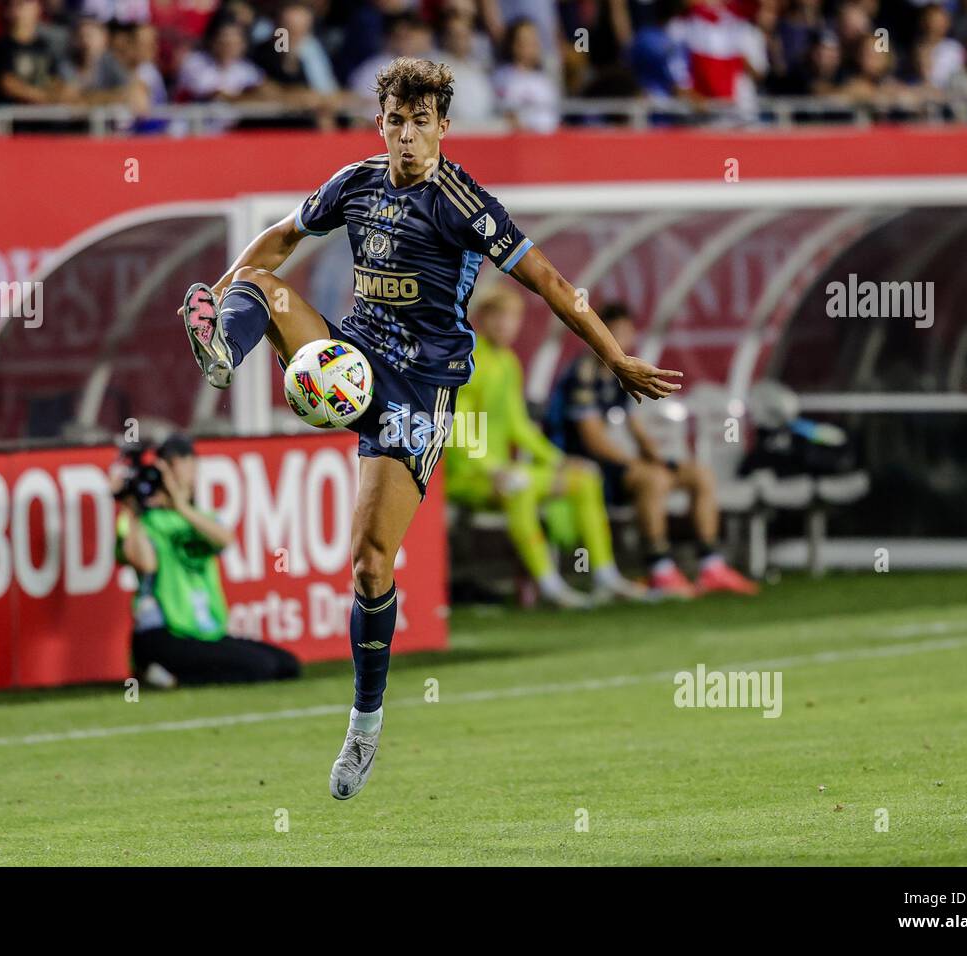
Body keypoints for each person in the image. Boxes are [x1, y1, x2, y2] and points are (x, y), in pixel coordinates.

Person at [179, 57, 682, 800]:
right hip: (351, 358)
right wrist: (220, 296)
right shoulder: (355, 184)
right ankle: (223, 346)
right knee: (257, 284)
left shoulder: (462, 202)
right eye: (396, 122)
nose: (408, 136)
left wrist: (614, 356)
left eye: (421, 122)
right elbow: (281, 237)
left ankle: (365, 723)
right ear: (380, 124)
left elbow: (548, 282)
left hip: (417, 393)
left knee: (369, 565)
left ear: (444, 126)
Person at [444, 287, 652, 608]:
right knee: (520, 486)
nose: (506, 325)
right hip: (468, 477)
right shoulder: (467, 360)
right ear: (482, 318)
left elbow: (518, 426)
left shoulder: (509, 362)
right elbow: (456, 425)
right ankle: (549, 585)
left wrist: (557, 460)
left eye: (513, 317)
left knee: (585, 478)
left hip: (504, 473)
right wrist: (492, 467)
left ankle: (605, 575)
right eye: (499, 316)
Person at [545, 303, 757, 598]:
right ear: (597, 332)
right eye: (614, 332)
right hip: (586, 467)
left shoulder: (619, 370)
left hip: (620, 463)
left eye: (626, 332)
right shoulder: (582, 373)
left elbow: (633, 423)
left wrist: (657, 457)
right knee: (653, 480)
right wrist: (637, 463)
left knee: (700, 475)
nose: (621, 339)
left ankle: (711, 565)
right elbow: (592, 439)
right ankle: (659, 568)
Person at [113, 434, 301, 688]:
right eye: (172, 465)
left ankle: (168, 675)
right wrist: (131, 508)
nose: (181, 472)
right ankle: (163, 674)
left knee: (286, 665)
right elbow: (145, 564)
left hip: (201, 631)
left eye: (183, 462)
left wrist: (181, 507)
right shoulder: (143, 521)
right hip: (162, 634)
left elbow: (224, 539)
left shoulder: (200, 517)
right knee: (261, 667)